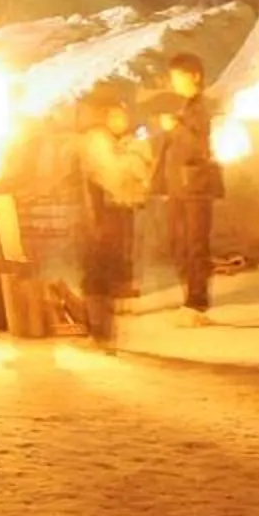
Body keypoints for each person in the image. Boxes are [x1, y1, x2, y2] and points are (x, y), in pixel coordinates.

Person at [149, 53, 225, 322]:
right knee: (179, 244)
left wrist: (176, 126)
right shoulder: (188, 106)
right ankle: (190, 297)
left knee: (195, 245)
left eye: (178, 77)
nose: (174, 83)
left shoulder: (202, 107)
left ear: (194, 76)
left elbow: (200, 146)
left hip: (196, 187)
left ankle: (197, 302)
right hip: (180, 187)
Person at [75, 94, 152, 345]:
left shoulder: (117, 142)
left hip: (110, 217)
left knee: (106, 273)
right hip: (98, 218)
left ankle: (103, 331)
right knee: (98, 274)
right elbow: (113, 178)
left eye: (124, 116)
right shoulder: (97, 141)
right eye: (116, 115)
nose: (121, 120)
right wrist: (132, 164)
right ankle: (99, 331)